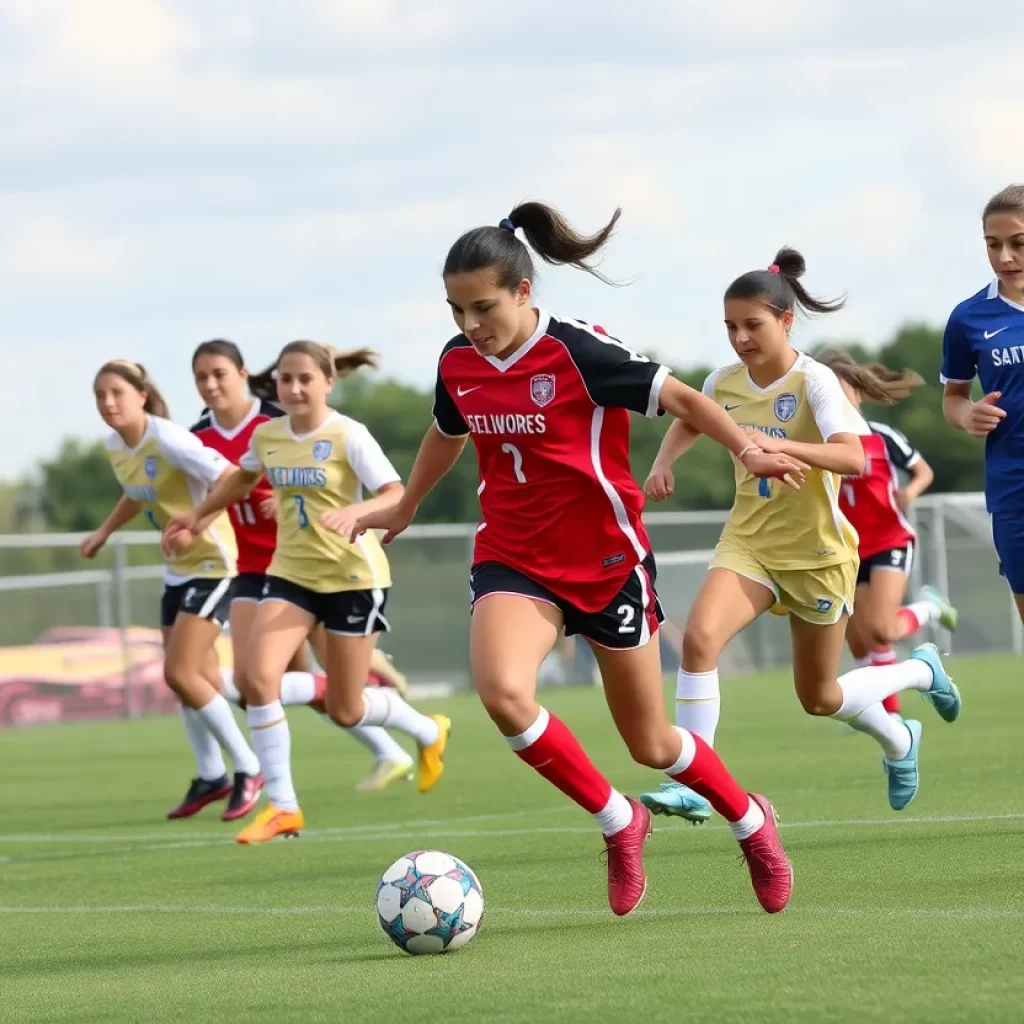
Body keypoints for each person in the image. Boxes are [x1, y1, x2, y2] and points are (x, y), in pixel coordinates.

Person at [351, 202, 809, 917]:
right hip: (513, 556)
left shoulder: (580, 352)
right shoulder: (457, 360)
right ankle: (618, 820)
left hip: (604, 563)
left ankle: (752, 822)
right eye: (456, 309)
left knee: (654, 743)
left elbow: (686, 397)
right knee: (504, 696)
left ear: (524, 292)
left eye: (483, 307)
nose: (470, 325)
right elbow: (448, 430)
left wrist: (747, 448)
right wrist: (404, 504)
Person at [640, 250, 961, 825]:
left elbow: (854, 458)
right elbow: (693, 415)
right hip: (749, 545)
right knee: (698, 641)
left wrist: (784, 447)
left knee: (819, 697)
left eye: (752, 325)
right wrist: (665, 461)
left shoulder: (815, 381)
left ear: (786, 321)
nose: (740, 338)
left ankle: (915, 687)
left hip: (816, 555)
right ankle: (695, 778)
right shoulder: (724, 381)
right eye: (730, 327)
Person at [165, 341, 449, 844]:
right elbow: (241, 479)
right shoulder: (269, 435)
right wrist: (197, 514)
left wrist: (356, 513)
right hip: (290, 576)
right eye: (285, 380)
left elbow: (394, 493)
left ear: (327, 383)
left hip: (353, 580)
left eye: (304, 380)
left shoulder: (347, 435)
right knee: (256, 677)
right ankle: (284, 807)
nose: (294, 389)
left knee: (347, 708)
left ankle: (427, 730)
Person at [82, 360, 264, 821]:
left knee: (180, 673)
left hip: (215, 562)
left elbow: (230, 476)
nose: (107, 403)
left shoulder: (169, 437)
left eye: (116, 393)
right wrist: (103, 532)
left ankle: (250, 767)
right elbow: (137, 491)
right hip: (178, 570)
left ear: (141, 395)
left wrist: (197, 521)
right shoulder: (115, 445)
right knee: (193, 681)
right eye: (99, 395)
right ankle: (210, 775)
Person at [817, 348, 958, 717]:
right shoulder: (818, 443)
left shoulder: (880, 437)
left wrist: (909, 492)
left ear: (859, 392)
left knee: (881, 628)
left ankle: (929, 608)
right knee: (860, 639)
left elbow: (922, 470)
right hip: (846, 549)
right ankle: (889, 717)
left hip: (888, 540)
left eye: (842, 388)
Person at [941, 184, 1024, 625]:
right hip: (1014, 488)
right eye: (994, 245)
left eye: (1018, 243)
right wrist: (968, 414)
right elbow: (952, 400)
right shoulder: (968, 317)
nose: (1005, 256)